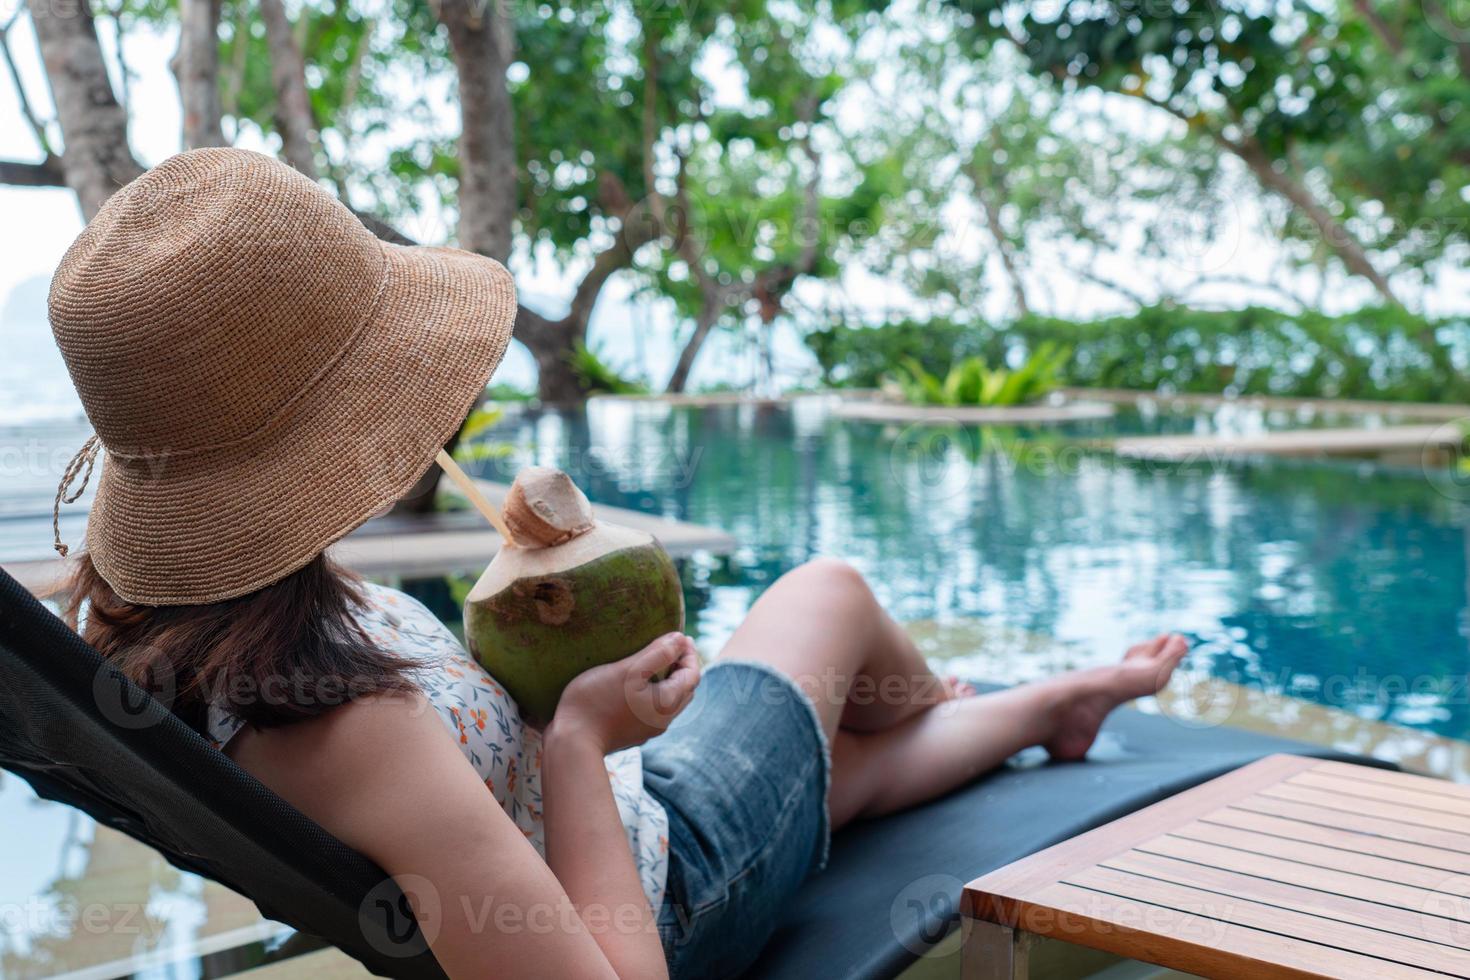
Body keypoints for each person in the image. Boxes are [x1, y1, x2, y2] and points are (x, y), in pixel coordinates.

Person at [50, 149, 1187, 980]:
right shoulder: (354, 732)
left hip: (612, 832)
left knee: (832, 758)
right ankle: (954, 708)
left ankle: (1045, 709)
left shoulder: (204, 642)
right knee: (826, 593)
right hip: (672, 885)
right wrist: (582, 740)